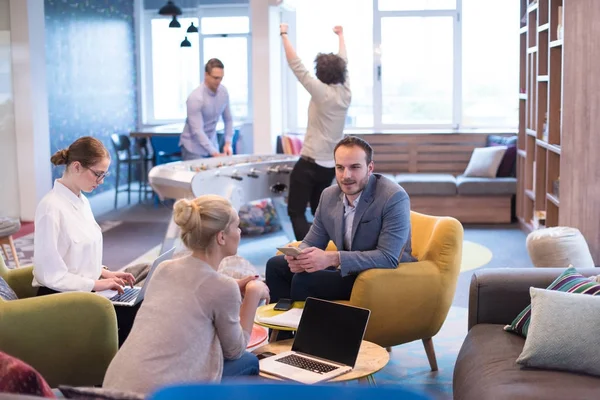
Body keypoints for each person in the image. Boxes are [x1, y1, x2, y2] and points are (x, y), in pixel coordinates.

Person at [103, 195, 270, 395]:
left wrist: (232, 286)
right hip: (159, 395)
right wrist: (253, 293)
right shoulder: (222, 287)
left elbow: (194, 287)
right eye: (237, 226)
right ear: (221, 237)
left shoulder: (164, 268)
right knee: (249, 361)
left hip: (115, 385)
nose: (240, 231)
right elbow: (234, 350)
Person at [266, 136, 416, 308]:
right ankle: (283, 335)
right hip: (347, 270)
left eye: (354, 167)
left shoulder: (393, 197)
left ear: (370, 168)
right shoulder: (329, 196)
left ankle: (312, 333)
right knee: (276, 266)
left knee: (305, 280)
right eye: (340, 167)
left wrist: (333, 258)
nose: (346, 176)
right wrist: (300, 257)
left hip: (379, 275)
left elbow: (388, 257)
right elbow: (312, 241)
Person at [33, 137, 137, 345]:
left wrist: (104, 272)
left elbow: (74, 253)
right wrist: (96, 284)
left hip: (84, 290)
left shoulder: (82, 200)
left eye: (104, 175)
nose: (101, 181)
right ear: (76, 167)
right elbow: (51, 274)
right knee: (136, 315)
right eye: (98, 174)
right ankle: (110, 376)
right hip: (59, 298)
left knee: (141, 299)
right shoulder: (51, 208)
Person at [280, 23, 352, 240]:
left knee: (295, 211)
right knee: (317, 212)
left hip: (310, 163)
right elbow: (344, 60)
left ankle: (307, 251)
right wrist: (341, 35)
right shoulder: (346, 92)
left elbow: (296, 65)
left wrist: (284, 34)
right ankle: (321, 249)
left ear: (320, 74)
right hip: (330, 165)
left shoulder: (320, 91)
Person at [179, 58, 234, 160]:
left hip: (212, 143)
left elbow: (228, 119)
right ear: (206, 75)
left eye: (221, 78)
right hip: (193, 148)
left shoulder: (223, 93)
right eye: (215, 78)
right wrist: (214, 153)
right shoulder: (195, 98)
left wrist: (228, 143)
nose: (218, 81)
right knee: (198, 175)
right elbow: (197, 131)